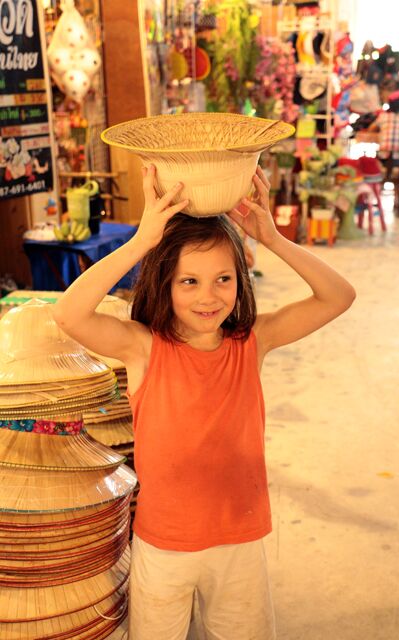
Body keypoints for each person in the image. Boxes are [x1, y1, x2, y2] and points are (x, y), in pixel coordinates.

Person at [53, 163, 356, 640]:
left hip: (240, 541)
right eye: (188, 281)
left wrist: (274, 241)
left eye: (224, 279)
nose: (209, 297)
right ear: (164, 283)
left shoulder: (253, 341)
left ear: (241, 280)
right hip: (164, 545)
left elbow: (339, 296)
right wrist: (141, 242)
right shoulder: (144, 347)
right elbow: (69, 315)